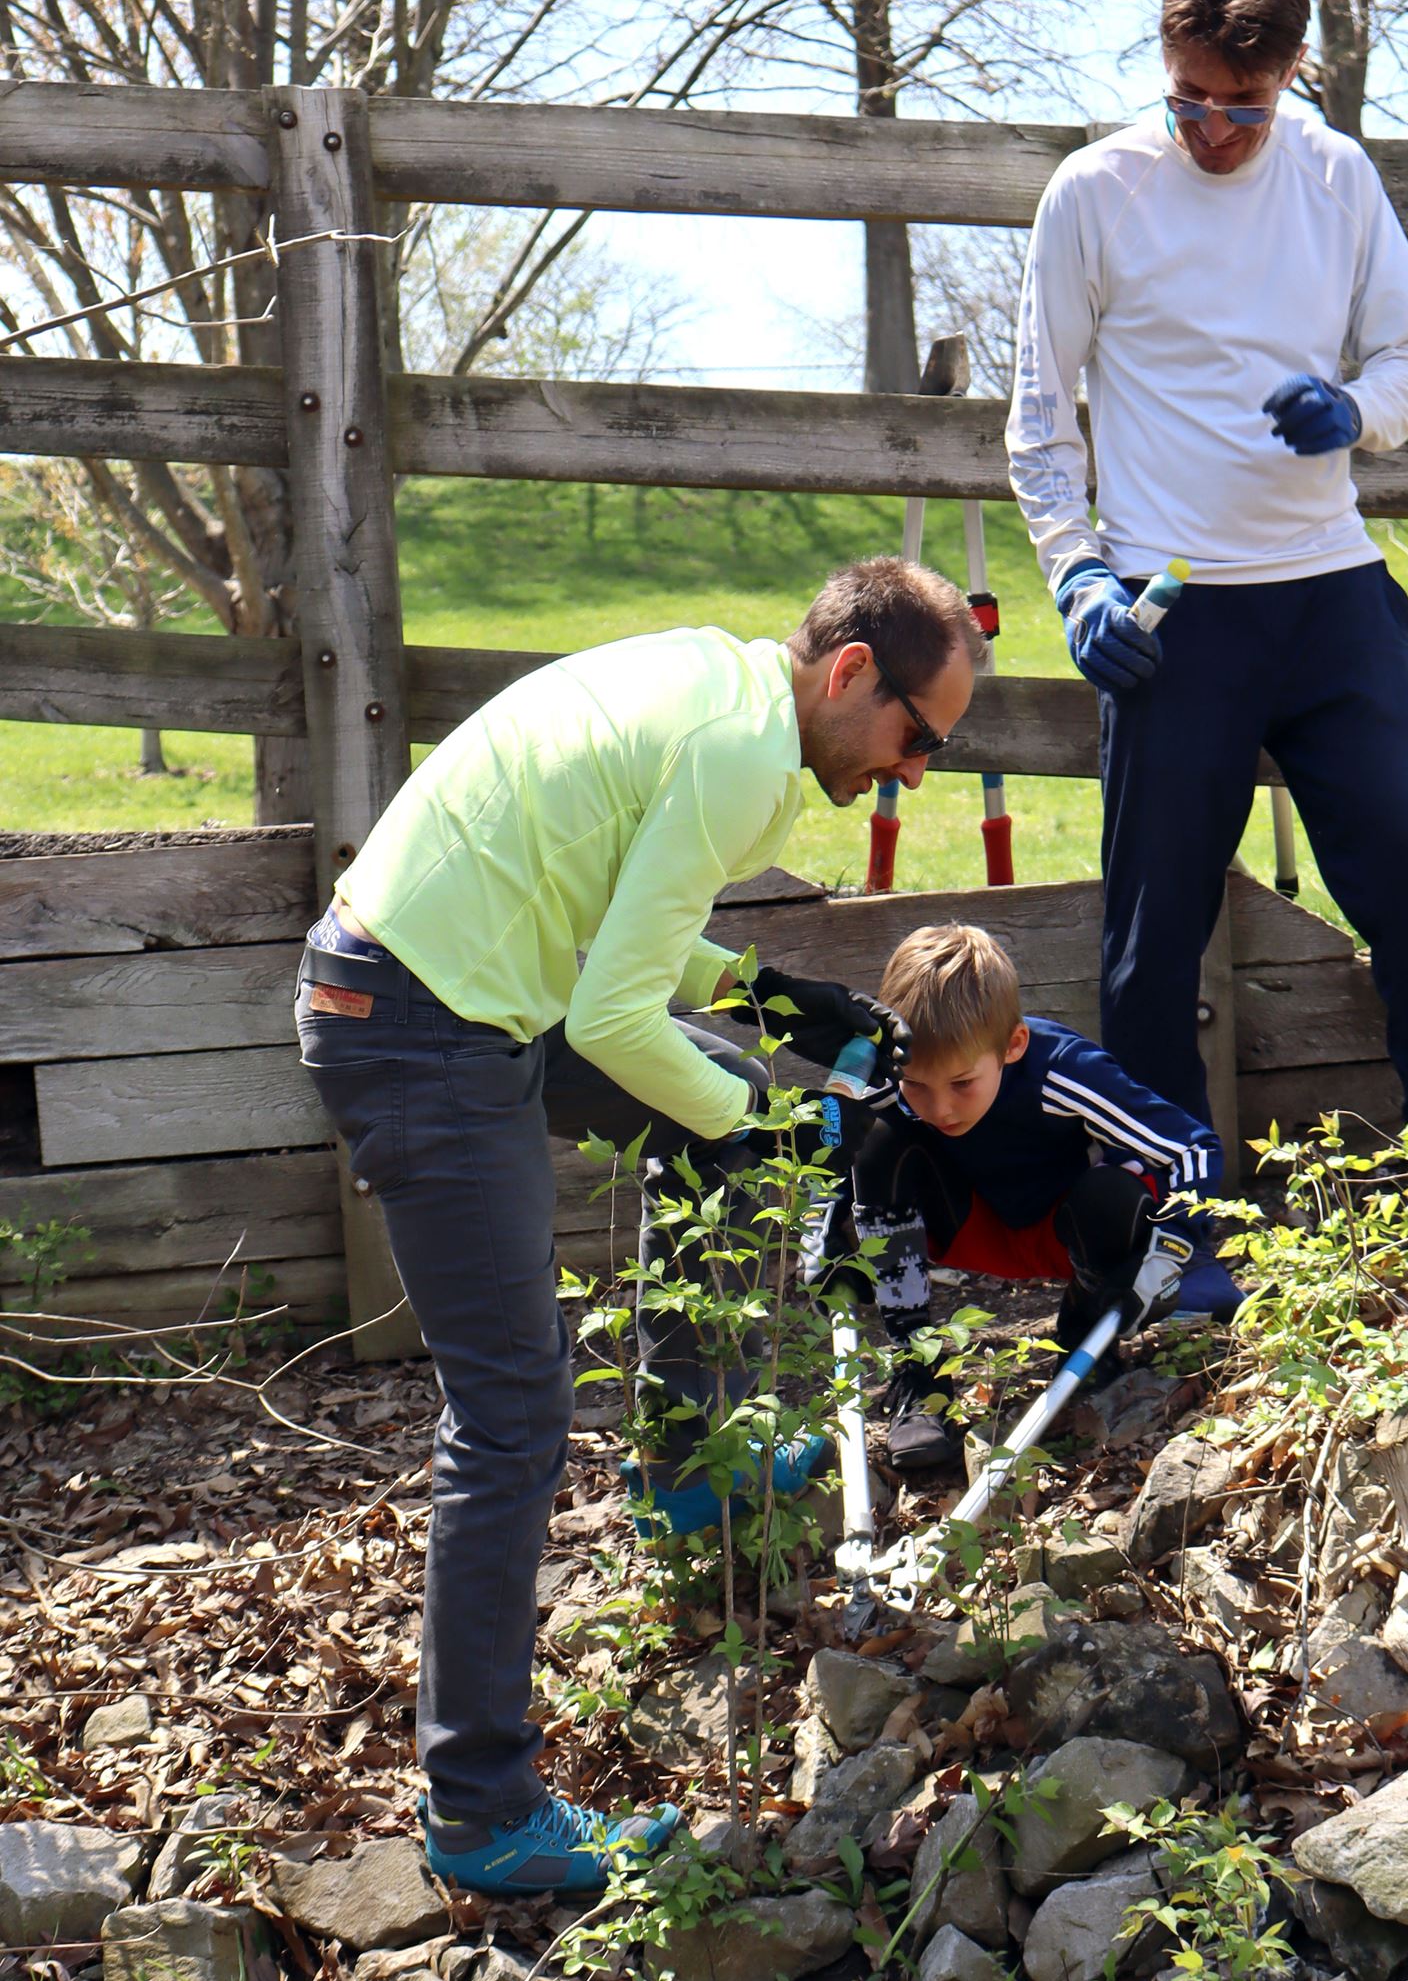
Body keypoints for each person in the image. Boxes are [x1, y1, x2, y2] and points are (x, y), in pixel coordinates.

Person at [294, 559, 984, 1900]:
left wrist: (773, 1007)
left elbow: (622, 930)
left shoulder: (728, 700)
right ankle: (481, 1810)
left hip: (459, 988)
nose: (913, 774)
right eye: (918, 738)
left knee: (711, 1125)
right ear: (852, 674)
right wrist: (781, 1126)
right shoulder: (739, 751)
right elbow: (614, 1021)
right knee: (509, 1415)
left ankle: (686, 1473)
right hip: (423, 1028)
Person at [1006, 0, 1408, 1302]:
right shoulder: (1095, 194)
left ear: (1293, 80)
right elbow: (1040, 426)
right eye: (1188, 101)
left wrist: (1359, 412)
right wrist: (1077, 578)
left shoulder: (1333, 174)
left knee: (1403, 865)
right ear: (1160, 78)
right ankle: (1179, 1235)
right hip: (1176, 612)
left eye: (1243, 107)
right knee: (1153, 931)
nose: (1214, 131)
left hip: (1330, 594)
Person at [819, 923, 1225, 1477]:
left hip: (1065, 1234)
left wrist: (1177, 1243)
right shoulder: (892, 1079)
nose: (940, 1107)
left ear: (1012, 1046)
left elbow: (1189, 1148)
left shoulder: (1061, 1069)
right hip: (960, 1229)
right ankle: (919, 1370)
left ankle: (1086, 1335)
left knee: (1115, 1191)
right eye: (919, 1085)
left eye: (962, 1083)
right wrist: (826, 1226)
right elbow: (834, 1154)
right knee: (880, 1143)